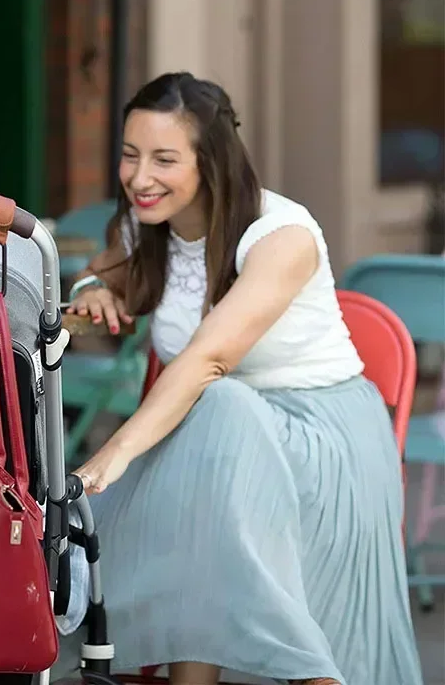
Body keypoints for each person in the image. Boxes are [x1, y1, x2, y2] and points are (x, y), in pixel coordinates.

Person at [58, 72, 423, 685]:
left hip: (321, 443)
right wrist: (95, 288)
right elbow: (101, 273)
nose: (140, 178)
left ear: (210, 161)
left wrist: (114, 454)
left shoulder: (282, 235)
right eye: (130, 154)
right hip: (215, 448)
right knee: (214, 436)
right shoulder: (143, 227)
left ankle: (311, 672)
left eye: (164, 159)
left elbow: (208, 360)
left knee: (219, 409)